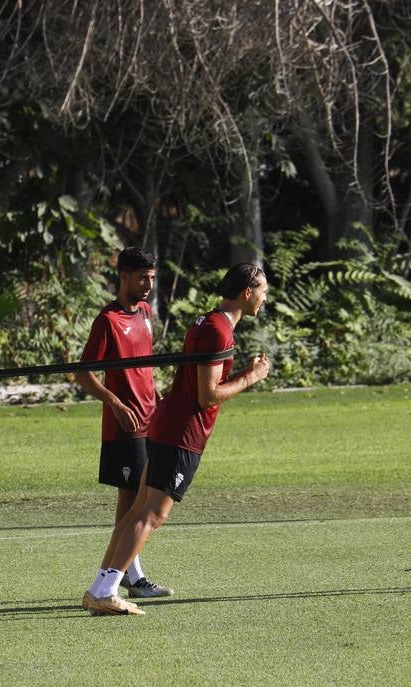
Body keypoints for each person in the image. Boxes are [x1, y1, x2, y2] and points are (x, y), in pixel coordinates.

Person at [81, 262, 272, 615]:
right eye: (262, 291)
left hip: (168, 423)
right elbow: (207, 395)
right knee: (152, 513)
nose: (264, 298)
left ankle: (99, 588)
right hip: (182, 431)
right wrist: (252, 376)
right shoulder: (219, 331)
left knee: (139, 509)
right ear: (247, 293)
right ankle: (106, 590)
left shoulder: (207, 321)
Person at [74, 247, 173, 600]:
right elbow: (82, 373)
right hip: (125, 426)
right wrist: (114, 403)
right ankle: (128, 577)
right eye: (141, 277)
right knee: (133, 503)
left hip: (150, 419)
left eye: (152, 278)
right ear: (124, 277)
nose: (147, 284)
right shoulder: (107, 320)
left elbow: (143, 367)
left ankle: (126, 576)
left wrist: (159, 398)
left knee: (137, 501)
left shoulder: (145, 312)